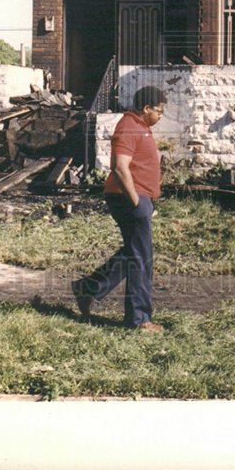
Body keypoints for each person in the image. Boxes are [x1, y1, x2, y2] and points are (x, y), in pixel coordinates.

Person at [72, 85, 167, 332]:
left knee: (134, 253)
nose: (161, 116)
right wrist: (137, 201)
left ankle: (88, 287)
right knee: (141, 259)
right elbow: (119, 167)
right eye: (159, 111)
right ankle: (139, 320)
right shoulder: (128, 126)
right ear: (146, 108)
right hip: (127, 198)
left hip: (139, 198)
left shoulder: (141, 126)